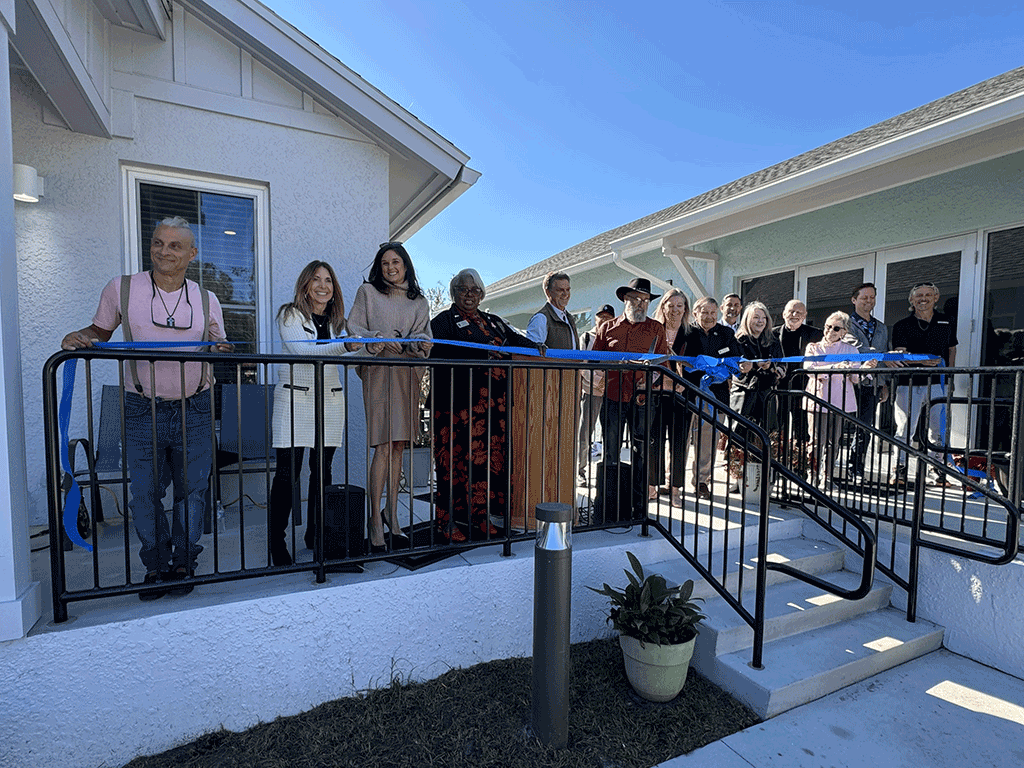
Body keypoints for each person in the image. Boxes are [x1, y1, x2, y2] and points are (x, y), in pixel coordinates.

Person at [61, 216, 231, 600]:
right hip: (141, 407)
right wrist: (80, 337)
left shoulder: (208, 299)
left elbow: (219, 341)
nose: (163, 251)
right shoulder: (122, 288)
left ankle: (184, 563)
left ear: (192, 254)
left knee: (193, 492)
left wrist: (224, 348)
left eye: (174, 246)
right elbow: (98, 333)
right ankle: (156, 567)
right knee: (143, 493)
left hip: (196, 408)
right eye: (158, 243)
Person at [429, 269, 539, 542]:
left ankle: (479, 516)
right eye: (464, 289)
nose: (470, 294)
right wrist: (482, 352)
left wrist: (539, 347)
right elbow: (438, 352)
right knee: (453, 465)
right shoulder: (443, 322)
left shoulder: (494, 322)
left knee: (485, 466)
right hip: (457, 408)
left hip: (492, 409)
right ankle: (446, 521)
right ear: (455, 293)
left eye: (475, 290)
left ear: (482, 294)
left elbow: (518, 341)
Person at [268, 261, 356, 566]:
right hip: (294, 400)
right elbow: (306, 351)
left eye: (329, 280)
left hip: (330, 402)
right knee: (286, 476)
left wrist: (378, 340)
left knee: (323, 474)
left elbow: (358, 345)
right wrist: (345, 345)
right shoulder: (289, 315)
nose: (323, 285)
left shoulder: (339, 322)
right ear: (305, 285)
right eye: (316, 279)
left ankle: (315, 534)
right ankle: (276, 541)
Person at [347, 242, 432, 552]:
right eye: (384, 263)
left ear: (406, 264)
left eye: (395, 261)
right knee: (383, 445)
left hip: (406, 373)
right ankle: (374, 518)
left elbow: (425, 336)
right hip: (380, 372)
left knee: (398, 446)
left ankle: (392, 515)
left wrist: (416, 344)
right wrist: (378, 340)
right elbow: (353, 329)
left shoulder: (420, 302)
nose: (390, 267)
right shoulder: (367, 293)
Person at [592, 278, 669, 508]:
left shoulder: (656, 328)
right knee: (611, 451)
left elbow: (664, 363)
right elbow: (595, 360)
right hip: (613, 396)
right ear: (625, 299)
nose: (641, 304)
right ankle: (609, 504)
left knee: (642, 452)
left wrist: (650, 377)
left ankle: (638, 505)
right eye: (636, 299)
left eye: (645, 300)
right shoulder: (608, 327)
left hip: (643, 399)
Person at [889, 282, 957, 487]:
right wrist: (921, 361)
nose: (923, 299)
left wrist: (950, 374)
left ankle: (936, 472)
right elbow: (899, 355)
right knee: (905, 429)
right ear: (911, 300)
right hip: (909, 383)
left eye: (928, 295)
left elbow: (952, 349)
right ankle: (899, 471)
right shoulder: (902, 325)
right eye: (919, 296)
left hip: (939, 382)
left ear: (936, 298)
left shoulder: (946, 322)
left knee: (938, 430)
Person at [803, 312, 876, 488]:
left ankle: (827, 477)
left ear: (844, 332)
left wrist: (865, 368)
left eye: (836, 328)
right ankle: (811, 474)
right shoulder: (813, 347)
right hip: (818, 399)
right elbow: (809, 368)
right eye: (828, 326)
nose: (830, 331)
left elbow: (856, 379)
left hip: (840, 401)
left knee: (833, 442)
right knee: (815, 441)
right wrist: (835, 367)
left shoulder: (851, 350)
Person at [680, 297, 741, 499]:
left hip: (715, 396)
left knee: (707, 442)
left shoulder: (726, 333)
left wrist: (719, 369)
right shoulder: (686, 331)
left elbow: (735, 359)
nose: (709, 317)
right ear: (695, 313)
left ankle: (701, 482)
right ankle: (673, 481)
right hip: (686, 393)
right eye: (704, 312)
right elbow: (677, 360)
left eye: (713, 313)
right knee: (680, 440)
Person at [729, 302, 785, 491]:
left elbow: (783, 367)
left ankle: (765, 477)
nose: (760, 321)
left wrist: (772, 368)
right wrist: (750, 367)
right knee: (738, 434)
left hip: (767, 392)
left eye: (763, 318)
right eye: (756, 317)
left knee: (769, 434)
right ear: (747, 319)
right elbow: (734, 368)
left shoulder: (774, 339)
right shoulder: (738, 339)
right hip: (743, 392)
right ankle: (736, 478)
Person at [843, 282, 890, 479]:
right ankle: (827, 466)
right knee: (840, 427)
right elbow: (853, 349)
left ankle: (856, 466)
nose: (868, 301)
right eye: (864, 298)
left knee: (865, 427)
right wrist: (880, 355)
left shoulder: (881, 327)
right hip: (848, 382)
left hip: (872, 385)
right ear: (854, 300)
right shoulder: (845, 324)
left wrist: (884, 383)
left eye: (872, 297)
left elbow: (884, 359)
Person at [649, 288, 691, 504]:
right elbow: (645, 360)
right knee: (654, 441)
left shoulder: (691, 333)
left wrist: (683, 382)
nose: (675, 310)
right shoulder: (654, 331)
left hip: (681, 396)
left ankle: (675, 488)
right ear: (663, 307)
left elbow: (697, 364)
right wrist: (659, 381)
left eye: (679, 306)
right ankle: (652, 486)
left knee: (679, 443)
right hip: (656, 394)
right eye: (671, 305)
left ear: (685, 309)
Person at [773, 300, 822, 472]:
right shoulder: (772, 334)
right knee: (778, 427)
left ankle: (799, 465)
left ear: (805, 315)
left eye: (799, 312)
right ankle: (778, 464)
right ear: (784, 314)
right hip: (779, 389)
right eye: (791, 311)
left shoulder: (816, 334)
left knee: (802, 430)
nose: (795, 315)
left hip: (804, 389)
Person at [578, 303, 615, 481]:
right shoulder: (586, 337)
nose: (604, 320)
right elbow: (581, 366)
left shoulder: (615, 339)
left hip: (611, 392)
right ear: (596, 318)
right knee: (585, 433)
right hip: (590, 391)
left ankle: (606, 473)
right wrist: (599, 381)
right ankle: (580, 471)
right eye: (601, 316)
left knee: (610, 435)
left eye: (608, 317)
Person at [526, 271, 578, 350]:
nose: (566, 294)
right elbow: (532, 355)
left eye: (567, 289)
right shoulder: (541, 318)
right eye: (560, 290)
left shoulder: (570, 318)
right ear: (548, 292)